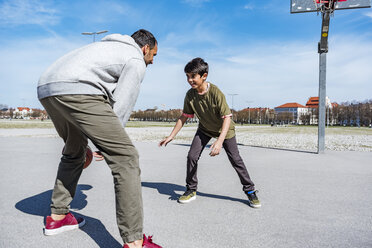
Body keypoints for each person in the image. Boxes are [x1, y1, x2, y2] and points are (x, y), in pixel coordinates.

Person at [38, 29, 161, 248]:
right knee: (126, 157)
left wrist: (89, 143)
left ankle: (58, 218)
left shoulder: (103, 48)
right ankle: (134, 242)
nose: (152, 62)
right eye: (153, 55)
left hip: (47, 87)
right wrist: (105, 145)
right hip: (78, 88)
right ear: (145, 48)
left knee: (75, 150)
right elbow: (122, 105)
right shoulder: (135, 58)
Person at [159, 57, 261, 208]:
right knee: (192, 156)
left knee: (236, 160)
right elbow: (184, 116)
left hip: (225, 131)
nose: (189, 80)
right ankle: (191, 189)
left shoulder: (215, 93)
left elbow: (227, 118)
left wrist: (219, 142)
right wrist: (171, 136)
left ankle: (250, 191)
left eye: (193, 76)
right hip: (205, 129)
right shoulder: (190, 95)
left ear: (204, 76)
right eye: (187, 76)